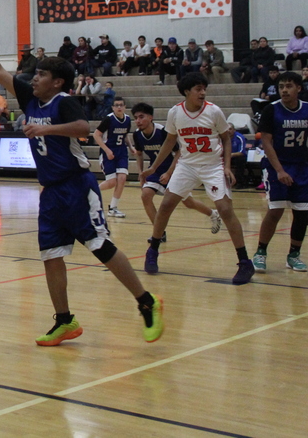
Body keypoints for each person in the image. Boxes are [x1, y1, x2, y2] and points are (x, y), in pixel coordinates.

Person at [0, 12, 163, 346]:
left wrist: (46, 128)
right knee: (51, 254)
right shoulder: (30, 99)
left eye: (41, 74)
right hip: (51, 192)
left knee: (99, 245)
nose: (35, 78)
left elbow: (84, 129)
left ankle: (147, 301)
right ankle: (65, 320)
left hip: (76, 185)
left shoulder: (65, 102)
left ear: (57, 81)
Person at [140, 73, 253, 285]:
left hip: (213, 166)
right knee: (165, 206)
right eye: (198, 89)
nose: (202, 92)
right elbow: (170, 141)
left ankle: (245, 262)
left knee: (226, 210)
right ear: (186, 92)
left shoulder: (213, 111)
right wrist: (154, 167)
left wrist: (227, 166)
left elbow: (226, 139)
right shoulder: (175, 112)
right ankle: (153, 249)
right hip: (187, 165)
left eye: (204, 89)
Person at [131, 102, 220, 242]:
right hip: (155, 170)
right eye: (135, 118)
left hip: (176, 169)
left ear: (151, 117)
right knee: (145, 195)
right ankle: (159, 232)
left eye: (141, 117)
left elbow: (180, 151)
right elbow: (139, 154)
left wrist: (169, 173)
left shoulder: (163, 131)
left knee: (188, 202)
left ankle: (213, 213)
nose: (138, 121)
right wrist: (141, 173)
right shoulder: (137, 135)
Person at [252, 71, 308, 273]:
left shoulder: (307, 110)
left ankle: (294, 255)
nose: (284, 90)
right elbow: (266, 141)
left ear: (299, 89)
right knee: (275, 210)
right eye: (282, 86)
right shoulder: (271, 110)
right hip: (277, 165)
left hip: (301, 166)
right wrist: (280, 170)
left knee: (302, 213)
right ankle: (260, 252)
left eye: (289, 86)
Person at [94, 96, 133, 218]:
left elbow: (125, 135)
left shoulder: (127, 119)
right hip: (108, 151)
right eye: (117, 105)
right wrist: (107, 150)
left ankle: (113, 208)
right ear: (113, 108)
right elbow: (96, 135)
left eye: (121, 105)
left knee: (122, 178)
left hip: (121, 151)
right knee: (111, 182)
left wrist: (131, 147)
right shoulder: (108, 119)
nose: (119, 107)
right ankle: (90, 192)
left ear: (125, 107)